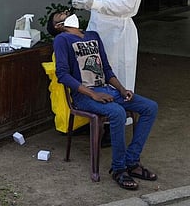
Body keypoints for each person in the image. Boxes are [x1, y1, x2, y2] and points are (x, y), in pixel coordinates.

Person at [47, 10, 158, 190]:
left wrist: (122, 89)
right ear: (58, 26)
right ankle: (119, 169)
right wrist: (93, 94)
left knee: (150, 107)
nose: (67, 12)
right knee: (117, 113)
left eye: (66, 11)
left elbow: (105, 68)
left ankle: (132, 162)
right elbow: (62, 75)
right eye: (60, 15)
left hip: (108, 90)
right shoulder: (62, 40)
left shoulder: (93, 36)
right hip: (84, 96)